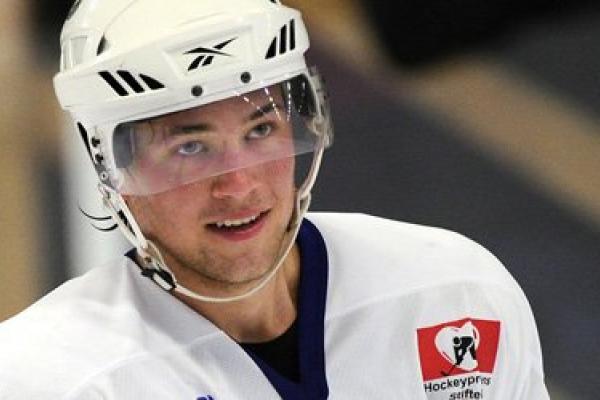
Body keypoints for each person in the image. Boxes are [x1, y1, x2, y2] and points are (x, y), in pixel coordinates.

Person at [0, 0, 550, 399]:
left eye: (260, 130)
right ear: (109, 166)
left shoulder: (456, 296)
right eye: (190, 147)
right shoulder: (48, 380)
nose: (239, 186)